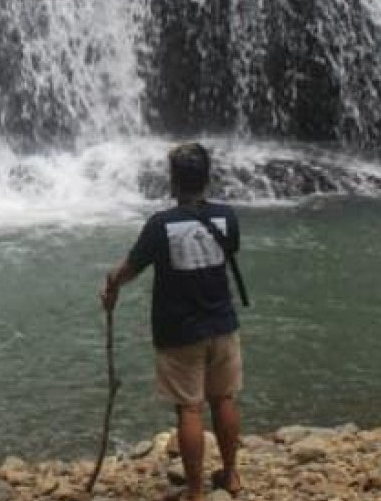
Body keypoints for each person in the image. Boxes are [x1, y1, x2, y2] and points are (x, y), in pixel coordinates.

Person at [100, 142, 243, 499]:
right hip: (223, 324)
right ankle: (231, 475)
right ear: (207, 178)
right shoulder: (227, 217)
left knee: (189, 409)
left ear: (173, 182)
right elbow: (228, 254)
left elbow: (130, 269)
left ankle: (195, 490)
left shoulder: (160, 225)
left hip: (180, 331)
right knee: (223, 399)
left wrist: (112, 287)